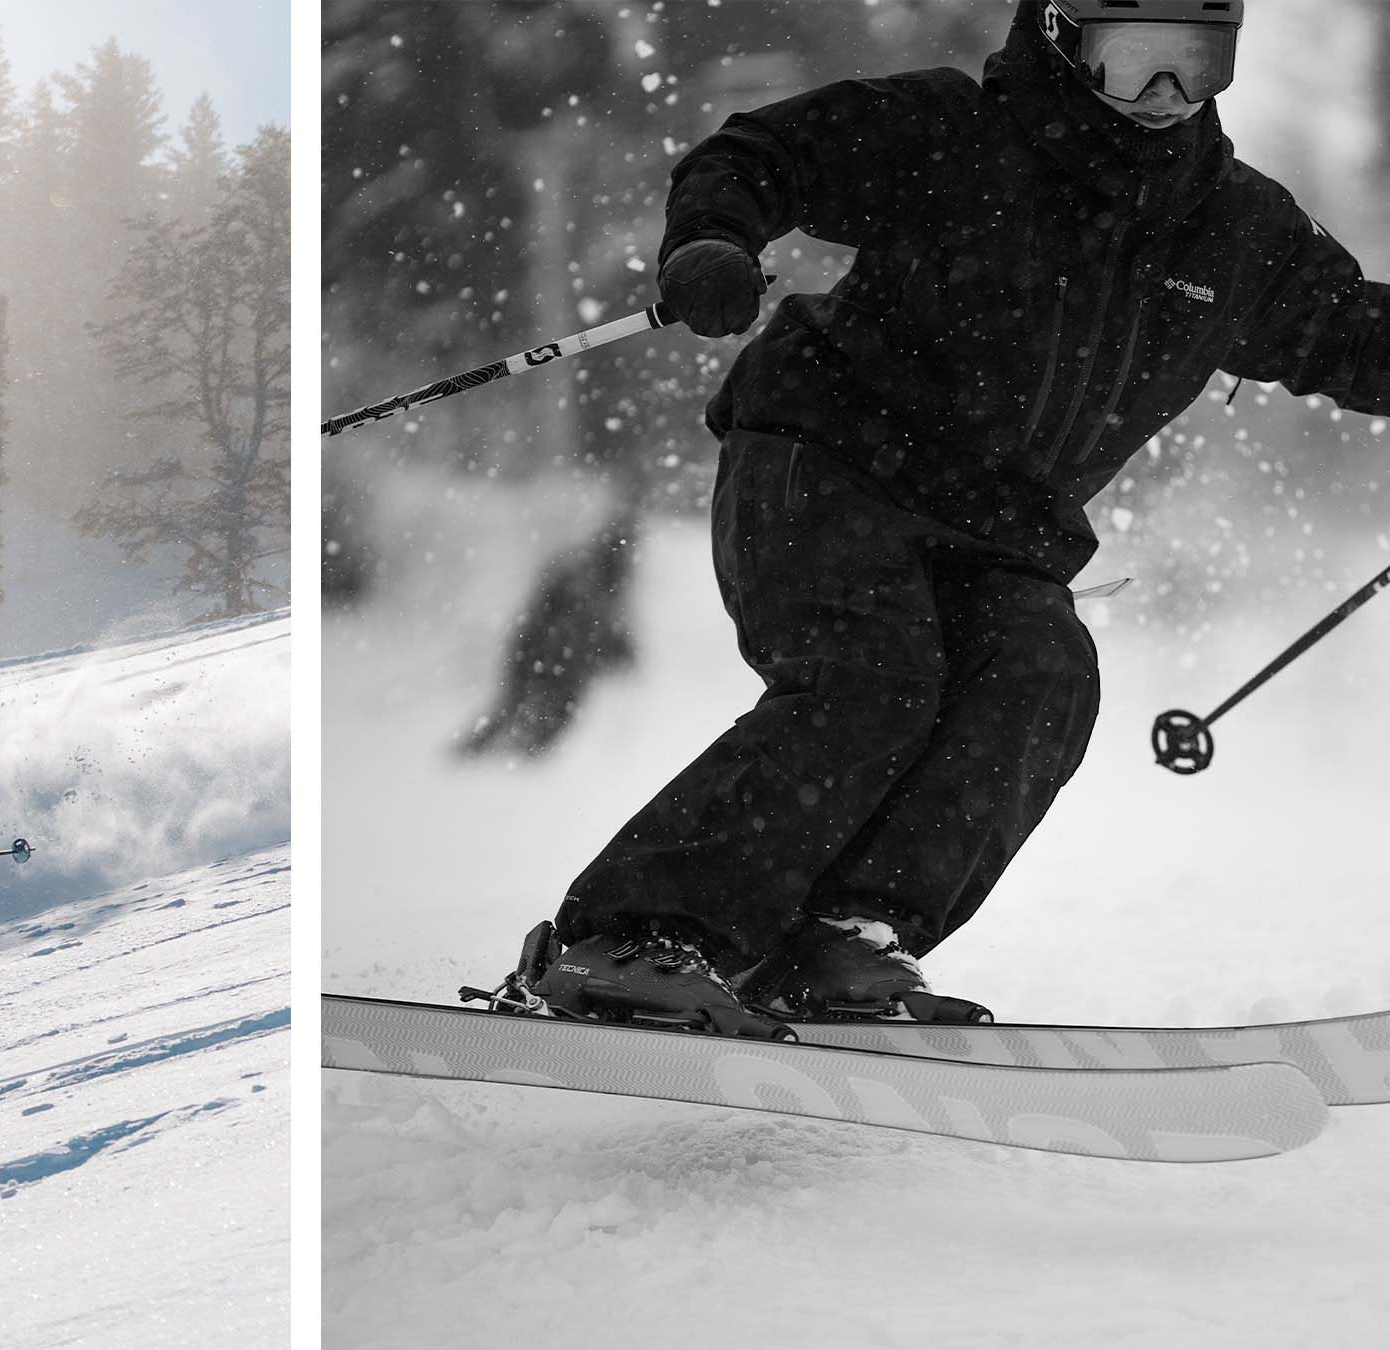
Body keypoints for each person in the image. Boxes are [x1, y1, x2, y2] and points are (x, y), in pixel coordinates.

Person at [511, 0, 1390, 1036]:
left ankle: (842, 939)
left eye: (1197, 63)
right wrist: (711, 239)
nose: (1166, 95)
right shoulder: (955, 133)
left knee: (1039, 673)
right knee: (871, 676)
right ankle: (628, 938)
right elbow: (759, 154)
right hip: (829, 456)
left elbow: (1356, 335)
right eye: (1136, 60)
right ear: (1063, 38)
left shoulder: (1234, 230)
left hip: (1003, 526)